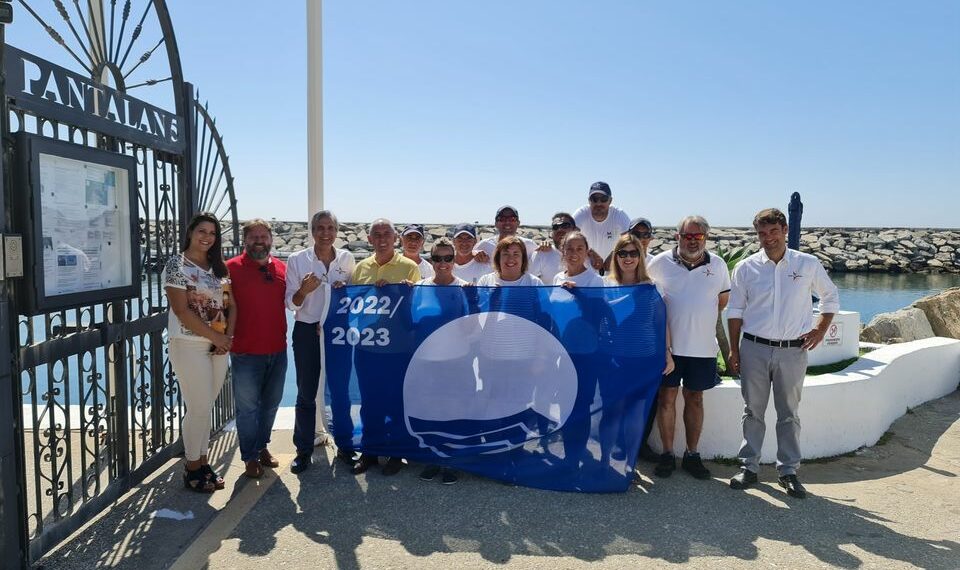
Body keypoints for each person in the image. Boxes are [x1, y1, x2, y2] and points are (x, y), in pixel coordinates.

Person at [727, 208, 840, 499]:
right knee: (752, 411)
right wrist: (733, 349)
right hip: (754, 348)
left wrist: (820, 330)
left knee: (789, 414)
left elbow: (830, 297)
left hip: (792, 351)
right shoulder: (746, 268)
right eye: (762, 233)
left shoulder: (807, 263)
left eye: (773, 231)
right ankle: (748, 467)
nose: (768, 238)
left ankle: (788, 471)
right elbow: (735, 310)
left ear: (785, 230)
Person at [647, 216, 730, 480]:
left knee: (695, 399)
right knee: (666, 398)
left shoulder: (718, 265)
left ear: (706, 238)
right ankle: (667, 454)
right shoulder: (659, 263)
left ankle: (692, 455)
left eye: (698, 236)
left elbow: (722, 301)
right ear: (677, 237)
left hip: (703, 348)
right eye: (687, 236)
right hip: (668, 349)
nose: (692, 241)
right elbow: (645, 297)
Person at [163, 213, 234, 493]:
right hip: (188, 344)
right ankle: (191, 467)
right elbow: (181, 311)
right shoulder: (176, 265)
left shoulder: (219, 268)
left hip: (218, 345)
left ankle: (203, 462)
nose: (207, 237)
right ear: (191, 232)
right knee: (199, 407)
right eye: (202, 231)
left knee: (206, 407)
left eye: (212, 233)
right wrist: (216, 337)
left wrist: (225, 339)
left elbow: (230, 304)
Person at [285, 210, 356, 474]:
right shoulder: (297, 260)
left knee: (340, 390)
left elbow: (353, 299)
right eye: (320, 228)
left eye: (330, 228)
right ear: (312, 231)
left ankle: (345, 446)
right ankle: (303, 451)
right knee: (306, 392)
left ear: (336, 231)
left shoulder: (347, 259)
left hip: (336, 332)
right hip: (307, 331)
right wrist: (303, 291)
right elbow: (291, 303)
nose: (325, 233)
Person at [351, 218, 421, 476]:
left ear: (395, 239)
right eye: (377, 235)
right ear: (369, 239)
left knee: (396, 402)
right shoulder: (360, 268)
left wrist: (400, 293)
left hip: (398, 348)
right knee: (369, 401)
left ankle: (396, 452)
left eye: (386, 234)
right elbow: (351, 304)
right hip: (367, 346)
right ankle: (370, 450)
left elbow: (416, 305)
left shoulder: (409, 267)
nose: (382, 239)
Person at [601, 235, 675, 465]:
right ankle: (604, 464)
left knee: (636, 414)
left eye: (633, 253)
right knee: (612, 412)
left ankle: (629, 465)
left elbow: (661, 323)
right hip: (614, 361)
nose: (628, 258)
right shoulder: (605, 285)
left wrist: (668, 353)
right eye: (623, 253)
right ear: (616, 256)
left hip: (644, 361)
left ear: (640, 256)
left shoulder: (652, 286)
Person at [226, 219, 288, 479]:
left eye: (263, 237)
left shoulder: (282, 268)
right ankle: (249, 456)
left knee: (271, 405)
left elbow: (296, 302)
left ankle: (262, 447)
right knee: (248, 409)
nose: (259, 241)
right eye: (254, 237)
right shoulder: (230, 268)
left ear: (271, 239)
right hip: (245, 352)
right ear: (245, 240)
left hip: (278, 350)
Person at [412, 237, 465, 485]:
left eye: (448, 258)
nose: (442, 263)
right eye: (437, 258)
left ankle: (452, 460)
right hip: (427, 361)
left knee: (453, 410)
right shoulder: (419, 288)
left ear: (454, 260)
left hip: (456, 361)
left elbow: (475, 328)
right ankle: (433, 456)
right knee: (430, 410)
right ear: (430, 260)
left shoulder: (464, 288)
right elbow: (409, 321)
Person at [573, 181, 631, 272]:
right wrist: (589, 252)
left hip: (614, 271)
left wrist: (615, 254)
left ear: (610, 201)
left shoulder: (619, 215)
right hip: (586, 271)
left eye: (603, 199)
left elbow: (630, 241)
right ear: (589, 201)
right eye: (594, 199)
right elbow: (569, 240)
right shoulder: (581, 214)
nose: (598, 203)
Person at [473, 206, 537, 263]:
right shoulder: (484, 245)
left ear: (518, 223)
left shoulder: (529, 245)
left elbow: (540, 260)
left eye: (512, 219)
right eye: (502, 219)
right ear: (496, 224)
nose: (507, 222)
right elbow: (469, 256)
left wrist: (543, 247)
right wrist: (473, 253)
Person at [530, 212, 577, 284]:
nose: (560, 229)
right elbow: (530, 283)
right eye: (555, 227)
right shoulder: (541, 254)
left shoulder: (586, 256)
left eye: (565, 225)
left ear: (575, 230)